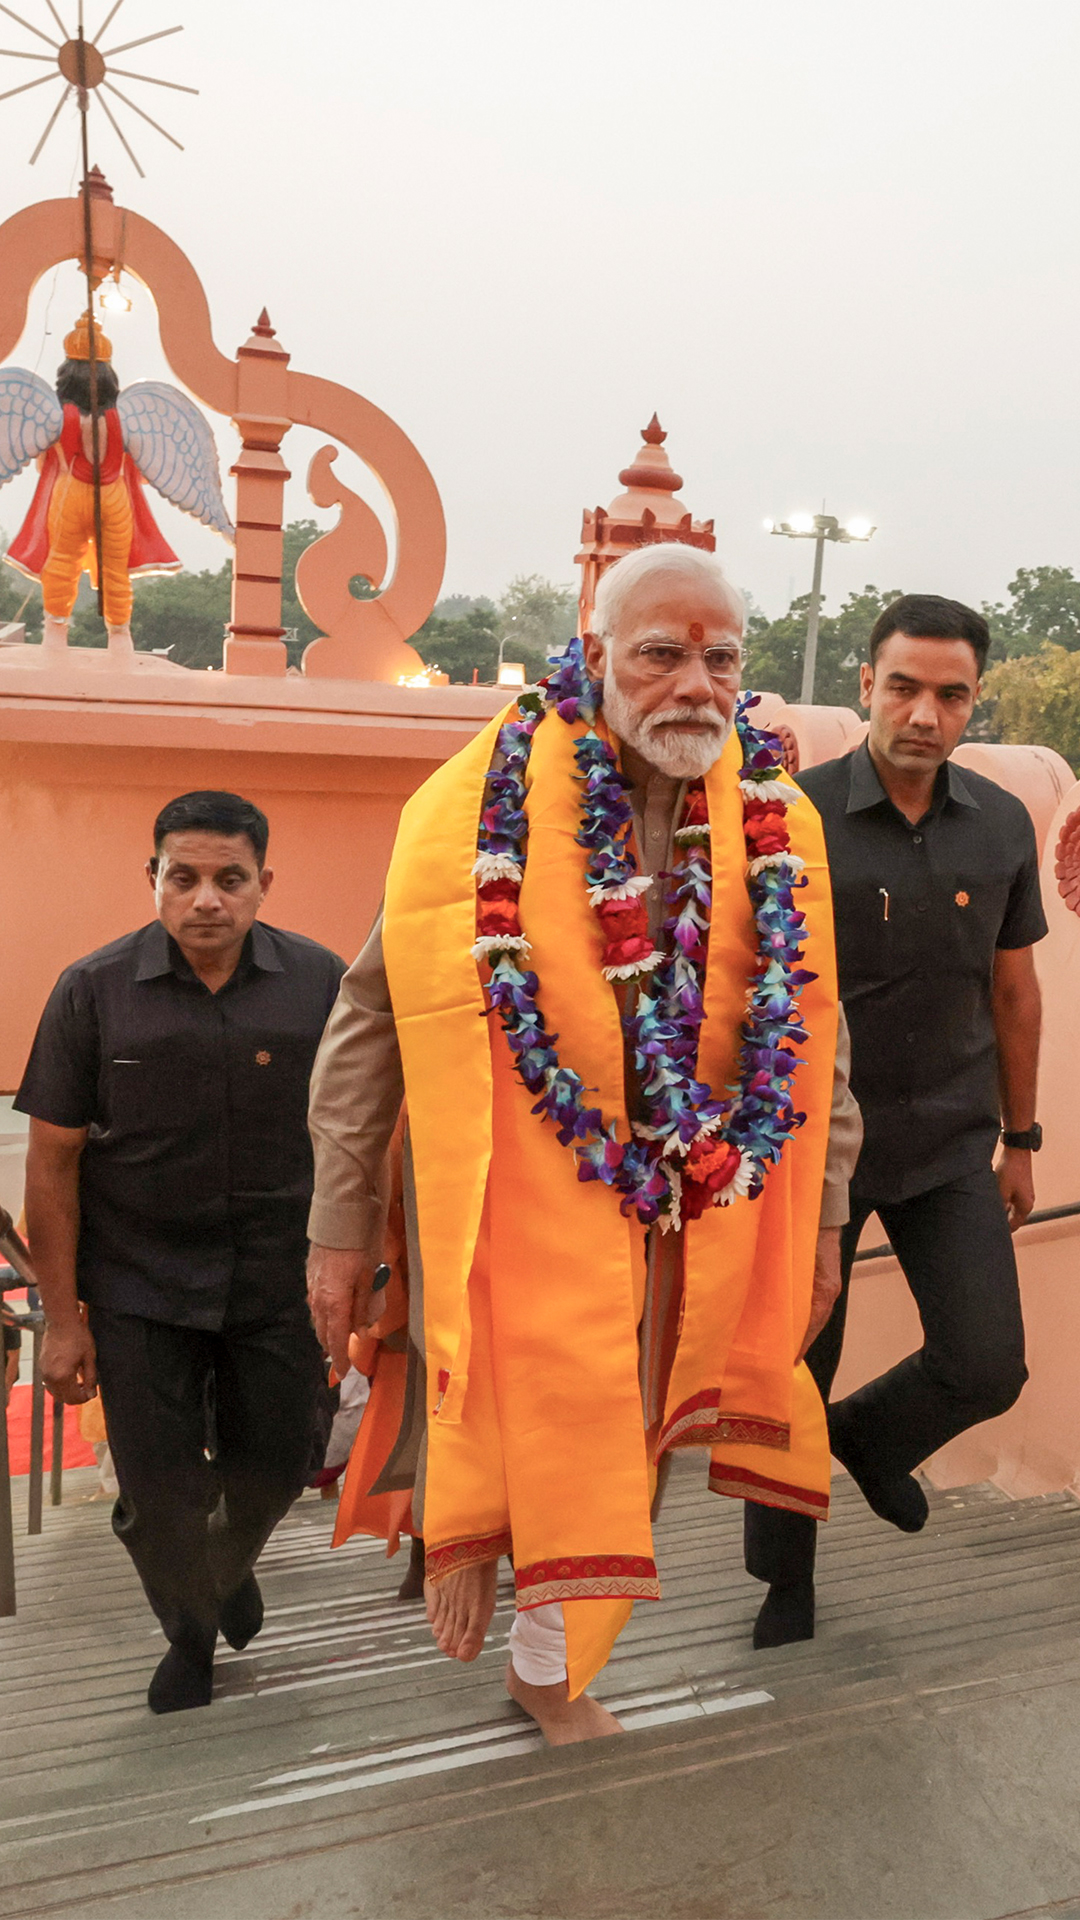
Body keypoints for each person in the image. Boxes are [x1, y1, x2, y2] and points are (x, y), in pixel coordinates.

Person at [306, 543, 862, 1743]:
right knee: (522, 1396)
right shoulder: (476, 806)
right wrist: (338, 1225)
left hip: (686, 1200)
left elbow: (818, 1035)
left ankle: (547, 1662)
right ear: (596, 650)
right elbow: (372, 1015)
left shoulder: (776, 820)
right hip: (516, 1187)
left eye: (723, 660)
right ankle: (472, 1535)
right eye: (663, 655)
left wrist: (820, 1220)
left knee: (640, 1424)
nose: (697, 689)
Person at [744, 595, 1046, 1647]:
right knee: (796, 1365)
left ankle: (867, 1442)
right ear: (866, 684)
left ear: (973, 703)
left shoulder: (1002, 823)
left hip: (953, 1142)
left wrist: (1024, 1137)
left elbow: (1015, 991)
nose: (925, 712)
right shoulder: (790, 815)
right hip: (816, 1153)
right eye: (905, 686)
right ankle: (785, 1582)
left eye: (950, 694)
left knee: (987, 1361)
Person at [16, 790, 345, 1713]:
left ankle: (224, 1565)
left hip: (279, 1279)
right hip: (140, 1285)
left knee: (281, 1462)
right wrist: (63, 1320)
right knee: (159, 1492)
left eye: (229, 879)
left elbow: (366, 1133)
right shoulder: (92, 989)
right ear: (152, 877)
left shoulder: (319, 983)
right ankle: (192, 1636)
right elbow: (52, 1165)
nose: (207, 898)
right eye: (185, 876)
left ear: (263, 885)